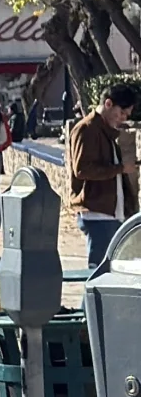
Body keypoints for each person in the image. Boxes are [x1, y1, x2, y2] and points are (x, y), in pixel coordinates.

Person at [65, 82, 137, 268]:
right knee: (98, 273)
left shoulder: (104, 131)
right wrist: (120, 169)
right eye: (121, 113)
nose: (122, 118)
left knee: (106, 273)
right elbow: (82, 170)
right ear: (108, 104)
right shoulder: (87, 129)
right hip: (97, 212)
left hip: (108, 212)